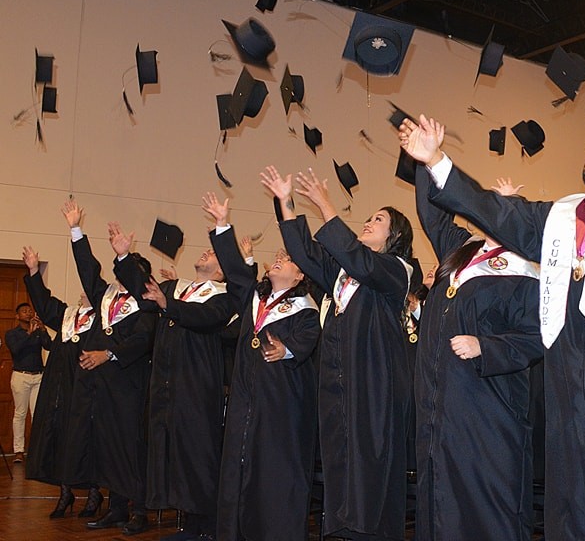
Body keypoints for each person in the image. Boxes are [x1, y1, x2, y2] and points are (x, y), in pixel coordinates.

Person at [399, 115, 585, 541]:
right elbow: (493, 210)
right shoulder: (558, 218)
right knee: (577, 502)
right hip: (570, 386)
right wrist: (435, 159)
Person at [261, 166, 413, 541]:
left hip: (375, 386)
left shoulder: (397, 270)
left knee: (371, 463)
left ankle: (370, 533)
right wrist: (286, 203)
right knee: (340, 457)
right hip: (339, 384)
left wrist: (327, 205)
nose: (368, 222)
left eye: (377, 220)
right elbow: (307, 253)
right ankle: (341, 528)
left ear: (394, 236)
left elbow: (360, 260)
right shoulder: (344, 277)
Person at [413, 163, 542, 540]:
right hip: (441, 401)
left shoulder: (522, 269)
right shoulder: (461, 252)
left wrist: (486, 347)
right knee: (440, 494)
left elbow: (537, 336)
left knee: (483, 499)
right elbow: (431, 213)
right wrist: (425, 161)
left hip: (488, 407)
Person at [201, 191, 320, 541]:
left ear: (300, 277)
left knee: (273, 476)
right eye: (279, 255)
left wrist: (286, 350)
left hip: (280, 411)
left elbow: (307, 340)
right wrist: (223, 225)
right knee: (237, 470)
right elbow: (236, 271)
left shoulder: (306, 311)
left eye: (288, 258)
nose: (280, 258)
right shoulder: (255, 298)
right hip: (244, 404)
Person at [110, 224, 236, 541]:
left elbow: (205, 319)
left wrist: (170, 306)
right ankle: (190, 526)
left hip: (197, 387)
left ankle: (208, 527)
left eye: (213, 253)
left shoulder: (224, 298)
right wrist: (124, 256)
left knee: (199, 456)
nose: (206, 251)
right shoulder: (175, 288)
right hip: (166, 387)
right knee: (174, 456)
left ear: (222, 271)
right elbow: (144, 291)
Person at [59, 199, 155, 535]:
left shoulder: (146, 303)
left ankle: (139, 511)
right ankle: (115, 509)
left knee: (130, 449)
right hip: (101, 388)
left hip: (129, 387)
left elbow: (143, 341)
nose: (118, 276)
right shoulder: (107, 298)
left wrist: (108, 353)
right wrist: (76, 230)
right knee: (107, 447)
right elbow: (88, 269)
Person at [20, 246, 102, 518]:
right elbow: (43, 302)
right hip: (57, 389)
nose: (82, 291)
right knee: (60, 438)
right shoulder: (68, 315)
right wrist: (33, 270)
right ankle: (65, 494)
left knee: (84, 440)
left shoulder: (102, 322)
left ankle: (93, 494)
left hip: (84, 390)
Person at [5, 300, 49, 463]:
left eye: (29, 310)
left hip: (38, 376)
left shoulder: (38, 332)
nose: (28, 313)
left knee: (37, 413)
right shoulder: (12, 333)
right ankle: (18, 451)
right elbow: (16, 350)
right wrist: (29, 333)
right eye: (24, 311)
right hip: (20, 376)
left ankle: (37, 450)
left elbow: (50, 346)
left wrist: (43, 330)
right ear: (17, 316)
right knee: (20, 413)